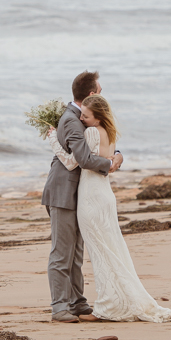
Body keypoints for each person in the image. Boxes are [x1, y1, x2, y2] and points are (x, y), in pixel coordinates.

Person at [74, 95, 171, 323]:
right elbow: (110, 157)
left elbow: (78, 161)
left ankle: (108, 307)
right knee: (111, 247)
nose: (81, 119)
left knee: (101, 251)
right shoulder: (110, 134)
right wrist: (116, 158)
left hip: (90, 195)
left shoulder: (91, 132)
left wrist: (53, 139)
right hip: (105, 194)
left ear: (98, 118)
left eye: (86, 116)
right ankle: (113, 302)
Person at [41, 70, 118, 323]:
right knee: (62, 252)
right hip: (63, 193)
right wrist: (110, 164)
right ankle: (59, 306)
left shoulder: (81, 117)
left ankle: (77, 301)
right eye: (100, 90)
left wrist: (117, 155)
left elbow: (98, 145)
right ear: (92, 94)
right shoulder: (72, 120)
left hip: (79, 193)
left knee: (75, 253)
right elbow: (84, 159)